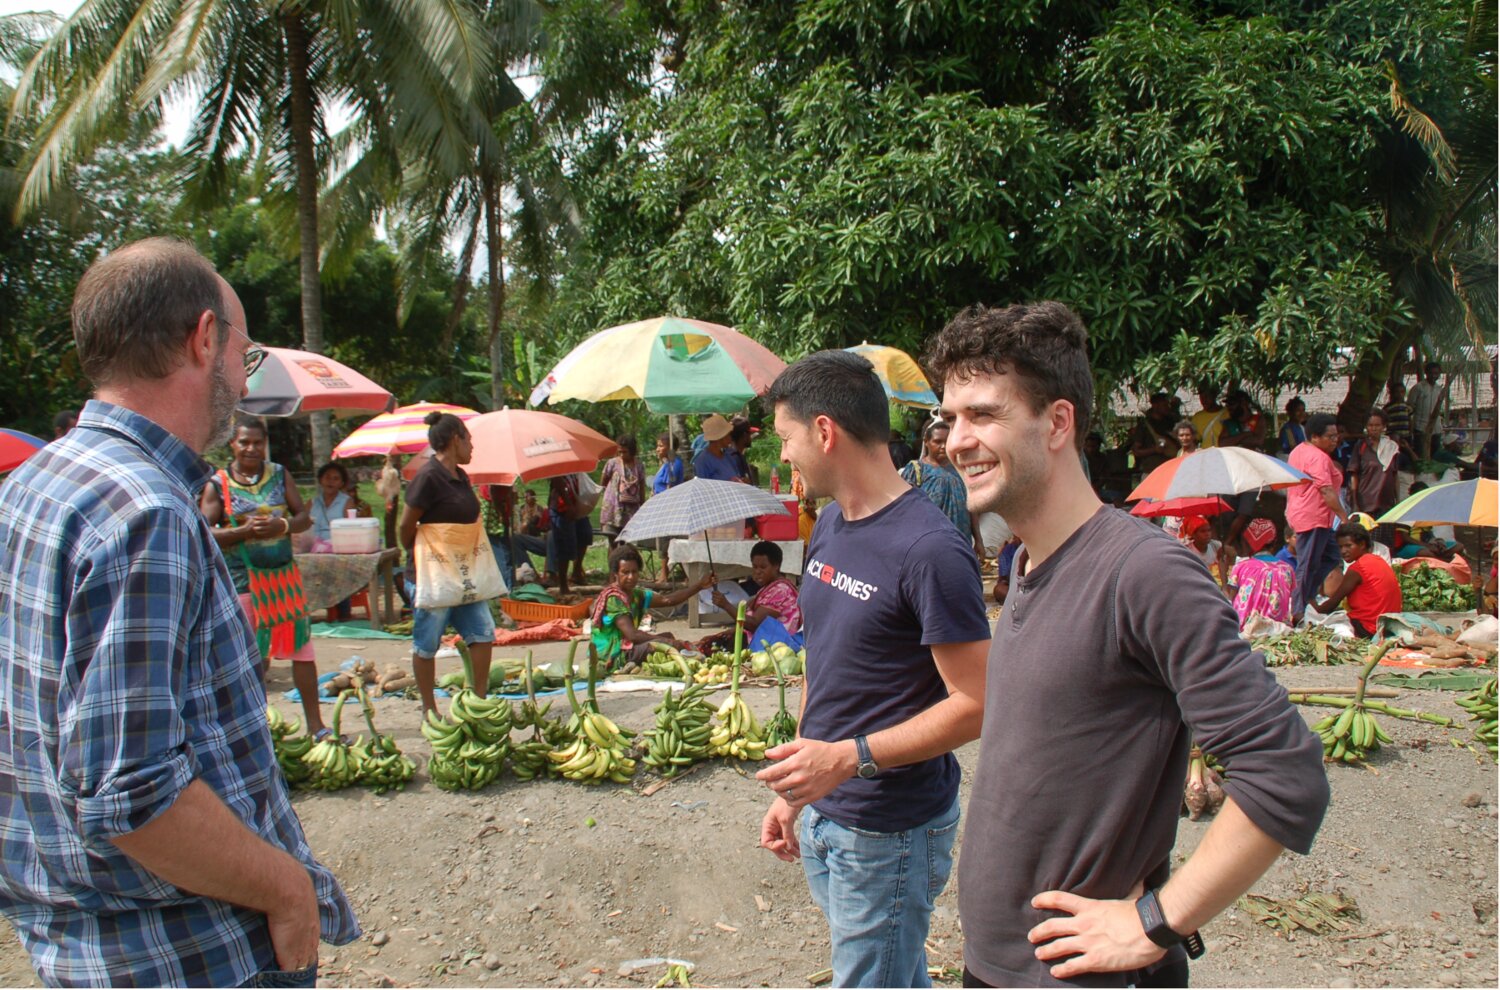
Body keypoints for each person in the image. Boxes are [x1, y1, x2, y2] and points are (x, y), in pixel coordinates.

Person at [926, 300, 1328, 988]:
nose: (956, 439)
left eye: (984, 414)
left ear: (1057, 423)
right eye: (949, 417)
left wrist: (1155, 921)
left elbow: (1285, 774)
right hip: (1001, 969)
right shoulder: (1027, 564)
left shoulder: (1143, 571)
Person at [0, 238, 355, 986]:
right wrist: (288, 888)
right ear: (203, 339)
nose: (241, 378)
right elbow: (131, 792)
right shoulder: (145, 513)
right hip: (184, 953)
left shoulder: (32, 487)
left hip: (78, 942)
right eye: (243, 355)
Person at [754, 350, 991, 988]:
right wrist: (796, 789)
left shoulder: (931, 551)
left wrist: (846, 759)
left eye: (786, 439)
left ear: (825, 432)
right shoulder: (828, 526)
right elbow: (823, 668)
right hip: (830, 811)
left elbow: (978, 702)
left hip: (890, 831)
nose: (784, 457)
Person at [202, 417, 329, 739]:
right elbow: (203, 530)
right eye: (244, 442)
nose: (251, 448)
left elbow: (302, 517)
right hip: (244, 580)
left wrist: (282, 526)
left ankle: (316, 726)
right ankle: (254, 730)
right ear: (232, 443)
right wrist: (242, 532)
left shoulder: (279, 474)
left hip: (283, 579)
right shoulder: (219, 483)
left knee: (302, 651)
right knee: (251, 657)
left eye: (257, 442)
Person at [399, 412, 498, 716]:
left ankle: (477, 701)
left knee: (482, 633)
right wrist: (427, 556)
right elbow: (405, 528)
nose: (472, 447)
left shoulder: (460, 476)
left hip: (463, 573)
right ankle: (429, 709)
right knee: (427, 642)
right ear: (456, 440)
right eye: (469, 440)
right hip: (433, 576)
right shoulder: (428, 477)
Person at [590, 543, 714, 672]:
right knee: (661, 644)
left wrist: (700, 585)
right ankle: (627, 666)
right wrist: (668, 643)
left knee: (668, 636)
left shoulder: (637, 594)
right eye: (625, 572)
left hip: (627, 646)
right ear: (615, 573)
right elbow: (633, 635)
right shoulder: (614, 598)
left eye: (634, 572)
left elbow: (668, 600)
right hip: (613, 655)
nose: (631, 577)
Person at [1287, 413, 1349, 614]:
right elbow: (1326, 490)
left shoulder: (1299, 451)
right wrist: (1343, 516)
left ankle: (1307, 595)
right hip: (1313, 517)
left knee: (1331, 555)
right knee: (1307, 564)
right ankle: (1297, 609)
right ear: (1315, 437)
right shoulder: (1318, 457)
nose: (1335, 440)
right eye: (1330, 437)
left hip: (1306, 514)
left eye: (1336, 436)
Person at [899, 419, 985, 557]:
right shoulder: (916, 470)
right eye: (937, 442)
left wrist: (979, 540)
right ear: (926, 442)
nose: (943, 446)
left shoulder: (961, 470)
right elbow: (903, 508)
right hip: (927, 544)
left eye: (947, 441)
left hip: (961, 542)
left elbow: (971, 507)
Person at [1311, 523, 1403, 638]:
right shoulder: (1378, 560)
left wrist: (1311, 606)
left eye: (1348, 546)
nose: (1343, 551)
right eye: (1340, 547)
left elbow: (1332, 604)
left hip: (1369, 628)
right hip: (1387, 625)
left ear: (1362, 545)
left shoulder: (1357, 569)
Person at [710, 540, 804, 650]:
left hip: (774, 648)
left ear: (776, 566)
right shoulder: (769, 588)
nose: (758, 572)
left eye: (763, 567)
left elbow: (755, 624)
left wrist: (726, 605)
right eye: (755, 567)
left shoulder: (780, 591)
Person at [1225, 520, 1297, 629]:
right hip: (1278, 630)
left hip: (1245, 629)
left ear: (1249, 542)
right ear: (1274, 542)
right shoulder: (1287, 569)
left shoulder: (1241, 567)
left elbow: (1230, 599)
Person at [1347, 409, 1402, 542]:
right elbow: (1354, 475)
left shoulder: (1391, 447)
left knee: (1386, 542)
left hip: (1386, 503)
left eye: (1377, 425)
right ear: (1366, 427)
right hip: (1366, 503)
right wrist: (1354, 502)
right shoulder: (1361, 447)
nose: (1374, 429)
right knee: (1368, 541)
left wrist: (1397, 501)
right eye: (1371, 426)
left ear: (1384, 427)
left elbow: (1395, 476)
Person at [600, 434, 646, 548]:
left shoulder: (639, 466)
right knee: (613, 542)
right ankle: (614, 565)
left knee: (627, 542)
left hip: (631, 509)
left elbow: (642, 486)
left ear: (632, 451)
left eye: (625, 452)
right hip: (613, 508)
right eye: (620, 452)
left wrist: (642, 506)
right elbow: (603, 482)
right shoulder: (612, 463)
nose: (622, 455)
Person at [651, 434, 686, 581]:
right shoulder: (666, 464)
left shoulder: (674, 465)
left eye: (661, 445)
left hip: (669, 507)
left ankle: (666, 575)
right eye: (657, 445)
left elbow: (669, 486)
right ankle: (665, 573)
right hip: (660, 507)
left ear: (670, 447)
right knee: (664, 540)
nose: (657, 449)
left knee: (668, 539)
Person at [1130, 392, 1179, 477]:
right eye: (1165, 405)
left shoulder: (1170, 422)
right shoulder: (1144, 425)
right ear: (1155, 406)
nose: (1168, 407)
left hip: (1170, 469)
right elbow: (1136, 451)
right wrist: (1154, 450)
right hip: (1151, 471)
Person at [1407, 361, 1445, 458]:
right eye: (1431, 373)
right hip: (1421, 427)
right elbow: (1410, 406)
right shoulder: (1418, 388)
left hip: (1435, 428)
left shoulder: (1439, 389)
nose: (1433, 376)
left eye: (1436, 373)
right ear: (1426, 373)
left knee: (1435, 455)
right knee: (1421, 454)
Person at [693, 413, 745, 482]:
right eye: (728, 435)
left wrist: (742, 481)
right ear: (720, 437)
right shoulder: (703, 461)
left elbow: (736, 477)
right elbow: (704, 488)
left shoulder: (728, 455)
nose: (730, 438)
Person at [1178, 515, 1222, 580]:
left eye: (1209, 530)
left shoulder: (1216, 546)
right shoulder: (1187, 550)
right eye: (1203, 531)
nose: (1207, 534)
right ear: (1193, 534)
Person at [1190, 383, 1226, 449]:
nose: (1204, 400)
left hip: (1225, 454)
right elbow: (1194, 440)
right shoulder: (1197, 417)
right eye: (1201, 397)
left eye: (1207, 396)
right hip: (1206, 456)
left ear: (1214, 395)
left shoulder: (1227, 414)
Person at [1383, 380, 1414, 450]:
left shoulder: (1408, 407)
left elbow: (1410, 421)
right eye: (1397, 392)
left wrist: (1410, 433)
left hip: (1405, 435)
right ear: (1392, 393)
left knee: (1406, 452)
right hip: (1392, 436)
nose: (1399, 394)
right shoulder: (1387, 408)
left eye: (1402, 392)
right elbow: (1385, 421)